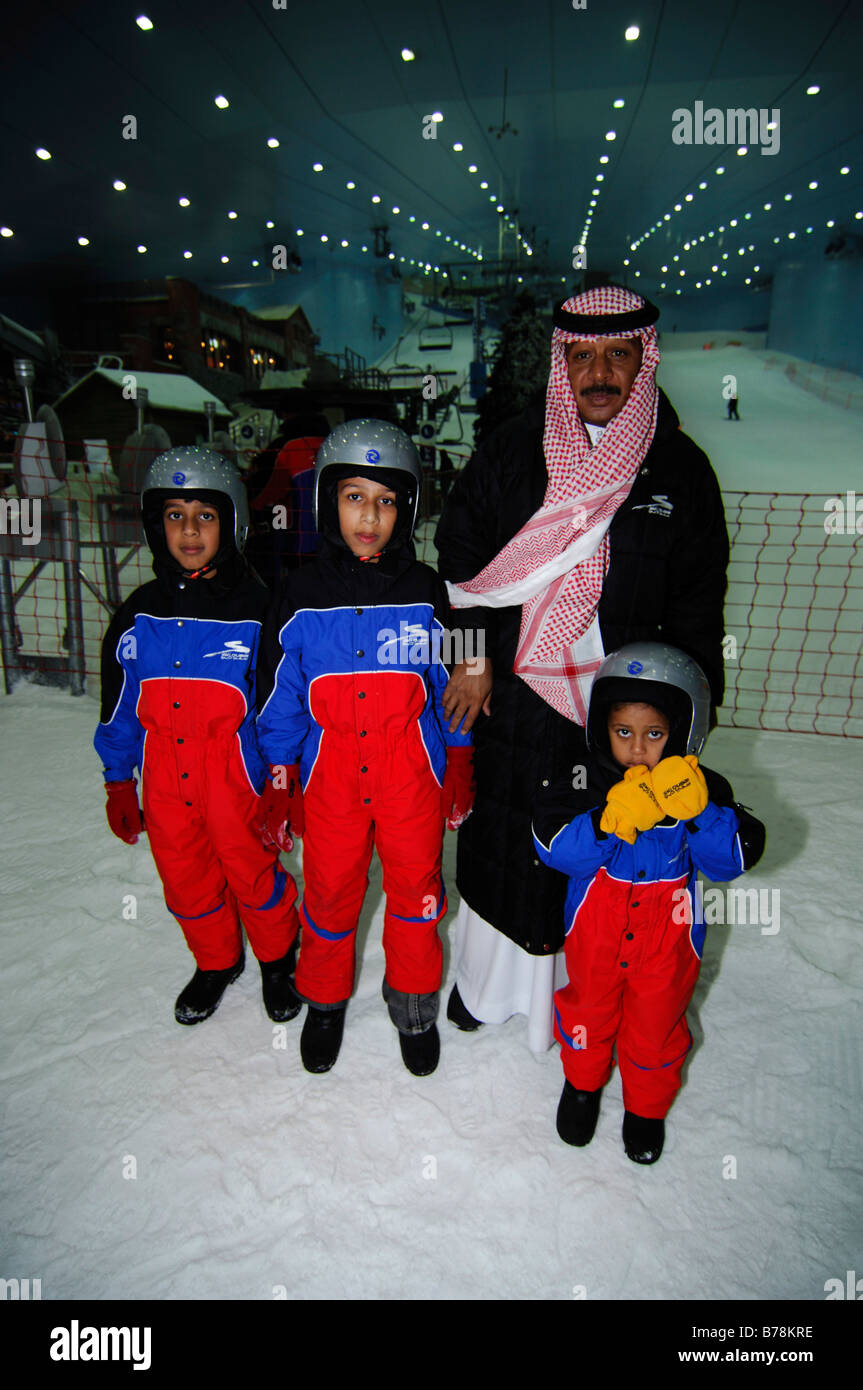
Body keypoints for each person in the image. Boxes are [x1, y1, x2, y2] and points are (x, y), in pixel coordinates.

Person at [434, 283, 730, 1052]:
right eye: (582, 357)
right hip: (511, 688)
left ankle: (587, 1005)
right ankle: (485, 989)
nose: (599, 373)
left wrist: (686, 721)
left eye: (617, 356)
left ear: (644, 360)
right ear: (561, 364)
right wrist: (466, 660)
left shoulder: (679, 470)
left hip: (618, 714)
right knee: (505, 836)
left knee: (598, 848)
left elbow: (698, 605)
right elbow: (459, 562)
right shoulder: (510, 448)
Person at [255, 420, 474, 1077]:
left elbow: (458, 675)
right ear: (328, 501)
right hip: (329, 785)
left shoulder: (427, 589)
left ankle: (412, 1003)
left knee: (416, 894)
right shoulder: (297, 593)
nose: (369, 517)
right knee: (329, 893)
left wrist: (459, 755)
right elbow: (280, 694)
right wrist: (278, 775)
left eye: (385, 501)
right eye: (354, 497)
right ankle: (323, 1000)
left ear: (405, 509)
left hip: (410, 777)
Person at [532, 642, 765, 1163]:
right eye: (624, 733)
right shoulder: (584, 780)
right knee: (587, 1011)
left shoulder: (702, 788)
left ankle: (646, 1109)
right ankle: (582, 1085)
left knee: (655, 1029)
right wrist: (604, 821)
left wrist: (702, 812)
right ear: (602, 729)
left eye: (654, 734)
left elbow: (730, 861)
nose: (638, 749)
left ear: (684, 732)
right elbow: (552, 848)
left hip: (669, 943)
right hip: (596, 935)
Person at [94, 447, 301, 1026]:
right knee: (185, 879)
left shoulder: (258, 609)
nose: (189, 530)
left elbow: (277, 705)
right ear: (155, 525)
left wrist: (281, 780)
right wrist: (117, 781)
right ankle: (216, 960)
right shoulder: (138, 615)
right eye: (175, 515)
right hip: (165, 780)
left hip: (235, 778)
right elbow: (119, 708)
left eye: (205, 516)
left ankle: (277, 958)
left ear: (230, 521)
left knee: (252, 871)